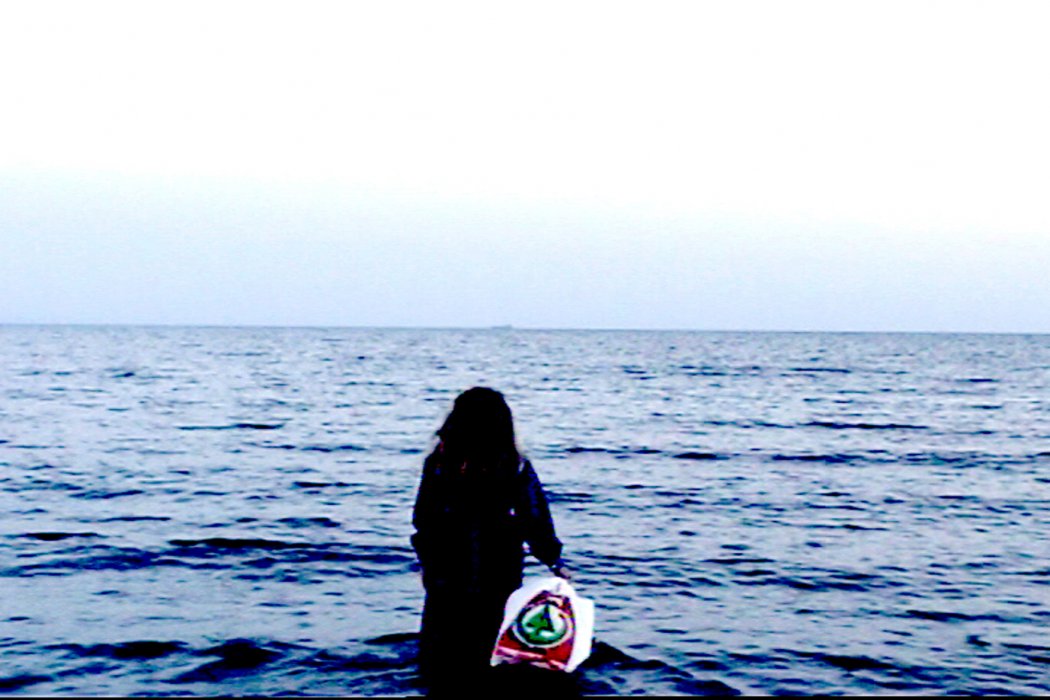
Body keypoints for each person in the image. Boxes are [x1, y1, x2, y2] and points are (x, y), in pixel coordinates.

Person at [411, 387, 569, 686]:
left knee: (440, 641)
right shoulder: (513, 464)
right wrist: (553, 560)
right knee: (490, 638)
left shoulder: (440, 463)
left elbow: (424, 518)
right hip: (498, 561)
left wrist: (426, 559)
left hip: (447, 563)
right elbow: (534, 517)